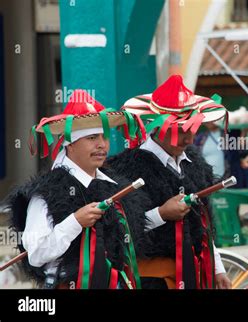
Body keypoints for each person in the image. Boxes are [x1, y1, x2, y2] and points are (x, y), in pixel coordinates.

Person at [6, 90, 147, 289]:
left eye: (104, 137)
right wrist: (75, 222)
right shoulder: (47, 193)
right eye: (91, 138)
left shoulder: (114, 186)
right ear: (70, 145)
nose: (101, 145)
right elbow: (36, 255)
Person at [107, 75, 231, 289]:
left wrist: (218, 268)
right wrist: (162, 214)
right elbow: (119, 229)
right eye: (182, 131)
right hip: (148, 280)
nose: (190, 140)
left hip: (194, 274)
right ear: (160, 127)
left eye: (193, 130)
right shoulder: (125, 169)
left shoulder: (195, 164)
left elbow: (203, 225)